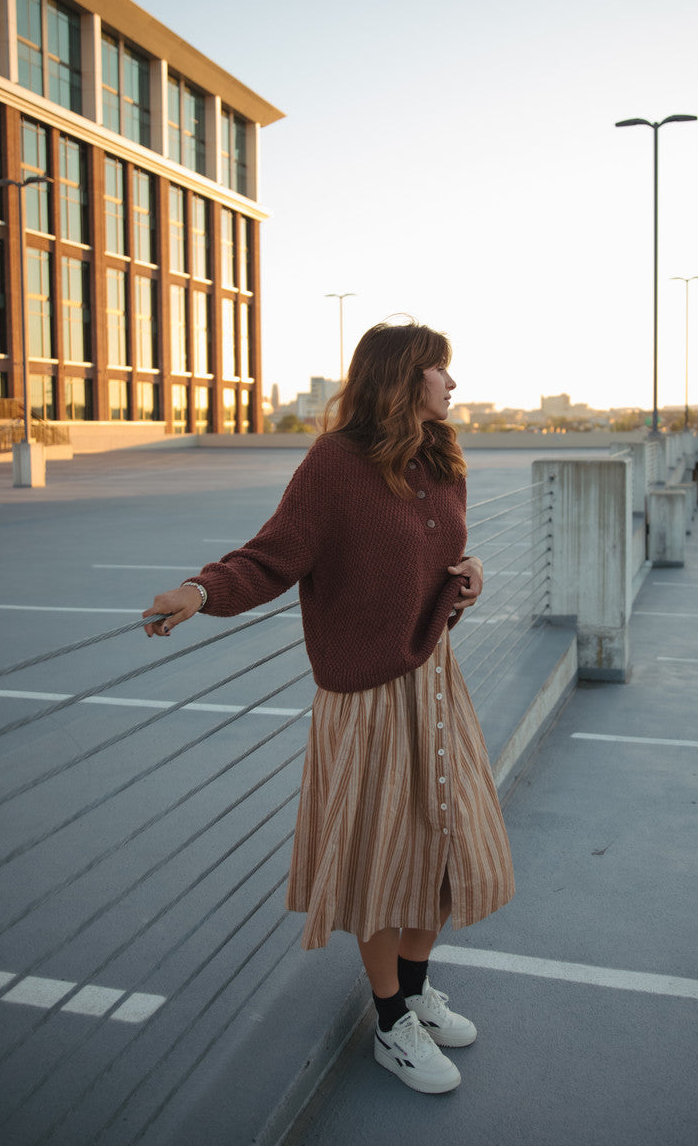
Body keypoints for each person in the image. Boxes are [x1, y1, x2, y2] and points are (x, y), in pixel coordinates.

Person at [143, 321, 514, 1095]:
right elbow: (273, 555)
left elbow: (439, 551)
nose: (453, 384)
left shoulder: (441, 459)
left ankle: (414, 993)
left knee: (443, 844)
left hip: (436, 684)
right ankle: (390, 1024)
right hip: (368, 698)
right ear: (403, 378)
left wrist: (469, 571)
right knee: (381, 859)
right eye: (440, 371)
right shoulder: (335, 464)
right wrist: (201, 591)